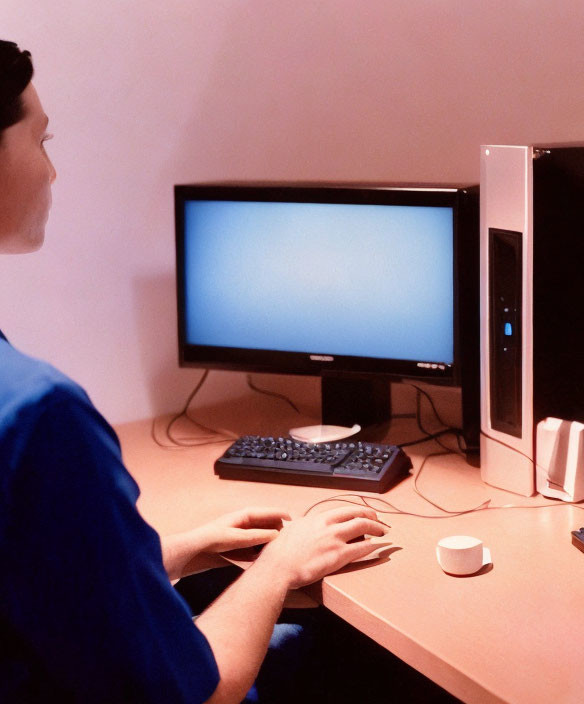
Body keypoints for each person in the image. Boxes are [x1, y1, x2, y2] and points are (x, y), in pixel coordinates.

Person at [0, 40, 388, 704]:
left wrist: (170, 551)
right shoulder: (41, 415)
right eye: (43, 142)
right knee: (366, 659)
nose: (53, 172)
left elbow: (39, 581)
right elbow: (195, 693)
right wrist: (276, 569)